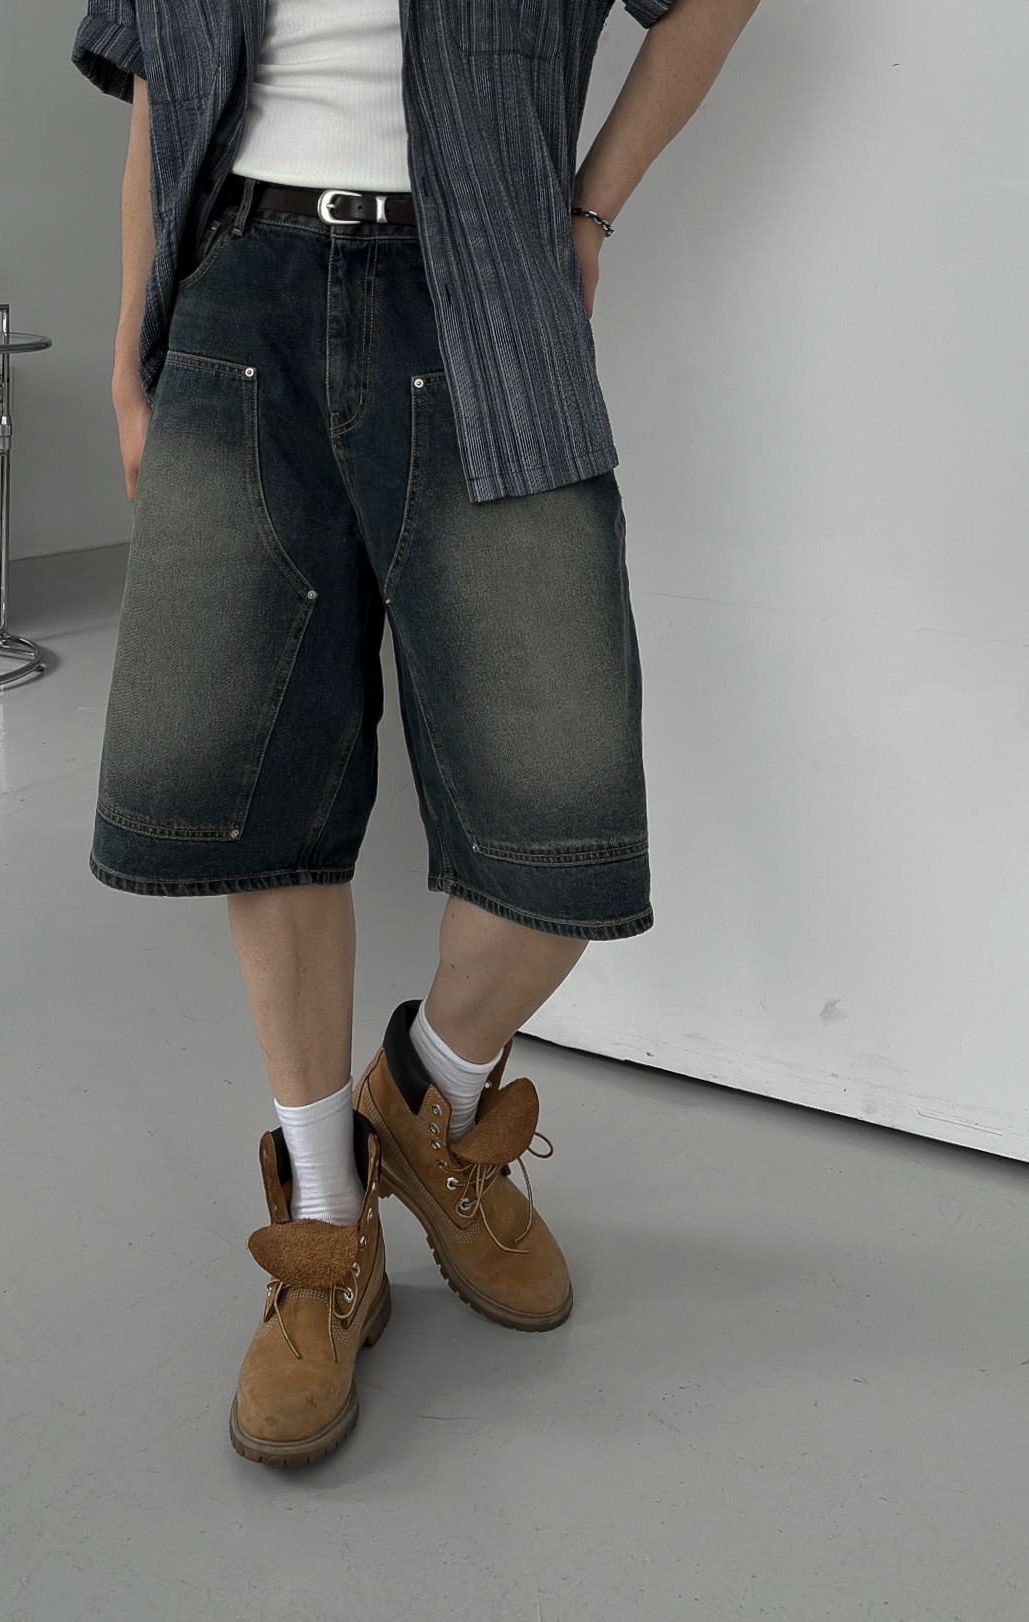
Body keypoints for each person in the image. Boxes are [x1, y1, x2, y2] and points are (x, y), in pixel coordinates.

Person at [73, 0, 762, 1467]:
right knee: (259, 798)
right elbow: (157, 83)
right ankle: (326, 1217)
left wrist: (590, 208)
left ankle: (428, 1097)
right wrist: (135, 347)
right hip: (238, 293)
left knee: (563, 824)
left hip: (489, 297)